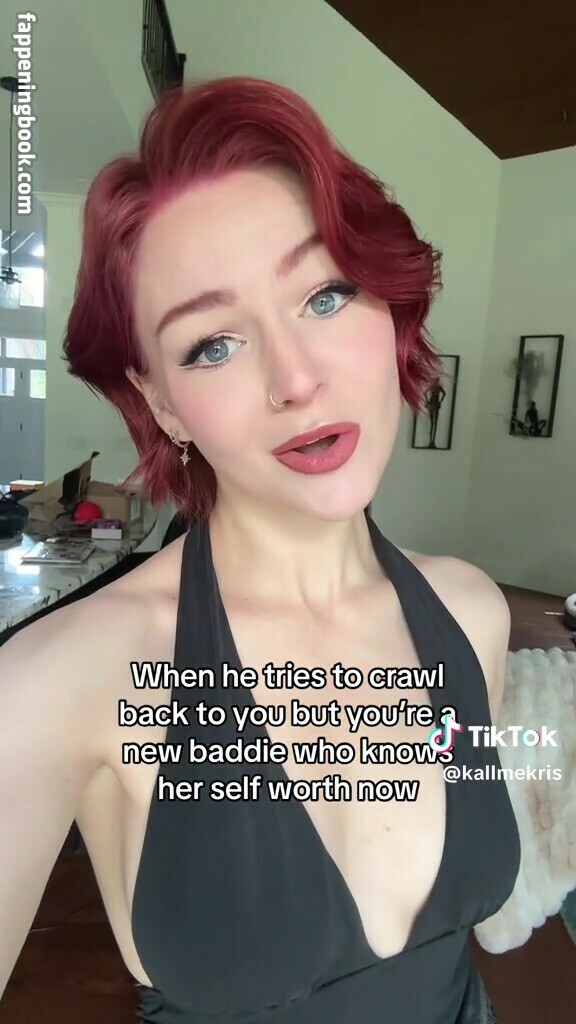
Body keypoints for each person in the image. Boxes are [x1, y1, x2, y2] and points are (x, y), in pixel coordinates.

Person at [0, 76, 520, 1023]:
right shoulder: (64, 679)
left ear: (388, 302)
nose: (296, 379)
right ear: (160, 403)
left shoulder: (473, 613)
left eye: (326, 294)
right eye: (212, 345)